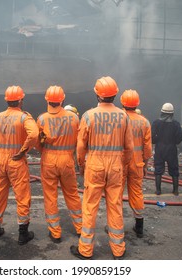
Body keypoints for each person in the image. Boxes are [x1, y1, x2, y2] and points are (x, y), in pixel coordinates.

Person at [70, 76, 133, 260]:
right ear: (115, 95)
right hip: (115, 165)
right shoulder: (124, 116)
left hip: (95, 164)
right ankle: (118, 250)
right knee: (115, 205)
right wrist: (123, 164)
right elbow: (129, 147)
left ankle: (86, 250)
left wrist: (81, 164)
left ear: (97, 94)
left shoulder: (88, 116)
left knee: (90, 206)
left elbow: (81, 146)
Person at [0, 85, 39, 245]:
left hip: (0, 160)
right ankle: (23, 233)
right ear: (21, 100)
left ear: (7, 100)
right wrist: (24, 151)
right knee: (22, 196)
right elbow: (34, 134)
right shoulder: (24, 117)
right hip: (16, 160)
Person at [36, 86, 82, 243]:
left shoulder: (42, 119)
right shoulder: (74, 118)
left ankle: (55, 232)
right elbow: (80, 141)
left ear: (47, 99)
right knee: (72, 194)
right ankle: (81, 228)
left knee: (50, 196)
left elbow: (38, 143)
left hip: (49, 159)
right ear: (62, 99)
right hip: (67, 160)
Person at [120, 89, 152, 238]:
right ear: (137, 104)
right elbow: (147, 147)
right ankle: (139, 225)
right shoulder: (144, 121)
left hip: (120, 162)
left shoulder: (119, 119)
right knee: (137, 193)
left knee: (116, 194)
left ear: (122, 103)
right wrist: (145, 163)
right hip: (137, 162)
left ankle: (116, 224)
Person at [152, 103, 182, 195]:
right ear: (172, 113)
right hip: (171, 148)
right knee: (174, 169)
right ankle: (175, 190)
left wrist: (156, 141)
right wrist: (174, 142)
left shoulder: (156, 123)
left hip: (160, 148)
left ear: (162, 112)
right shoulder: (176, 124)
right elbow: (180, 137)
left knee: (158, 168)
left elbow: (152, 136)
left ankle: (158, 190)